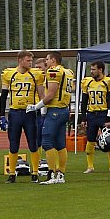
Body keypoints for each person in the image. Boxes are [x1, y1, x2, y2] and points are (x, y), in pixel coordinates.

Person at [0, 51, 44, 182]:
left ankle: (35, 173)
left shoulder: (36, 74)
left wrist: (42, 112)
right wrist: (2, 115)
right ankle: (12, 173)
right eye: (28, 60)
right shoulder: (9, 74)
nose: (30, 63)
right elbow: (3, 96)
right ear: (20, 60)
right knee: (13, 144)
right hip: (15, 112)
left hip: (30, 113)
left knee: (33, 143)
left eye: (31, 60)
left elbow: (42, 96)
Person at [38, 52, 74, 183]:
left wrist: (36, 106)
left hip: (55, 110)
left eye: (47, 59)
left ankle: (52, 174)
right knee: (60, 144)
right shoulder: (68, 72)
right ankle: (61, 174)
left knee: (47, 142)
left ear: (53, 60)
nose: (46, 62)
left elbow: (51, 94)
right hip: (64, 109)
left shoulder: (54, 71)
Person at [79, 61, 110, 174]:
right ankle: (90, 166)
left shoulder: (109, 81)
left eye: (93, 69)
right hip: (91, 114)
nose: (91, 71)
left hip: (103, 114)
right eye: (91, 69)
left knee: (109, 139)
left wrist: (108, 118)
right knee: (90, 141)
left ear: (100, 70)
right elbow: (84, 101)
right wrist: (83, 118)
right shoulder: (87, 82)